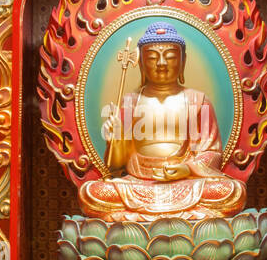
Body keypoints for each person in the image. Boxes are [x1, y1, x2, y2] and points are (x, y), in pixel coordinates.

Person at [79, 21, 246, 221]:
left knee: (231, 191)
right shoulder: (130, 102)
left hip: (185, 185)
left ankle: (136, 218)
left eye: (170, 57)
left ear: (182, 62)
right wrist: (117, 139)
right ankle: (186, 217)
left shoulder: (198, 100)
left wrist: (187, 169)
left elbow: (211, 152)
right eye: (151, 57)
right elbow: (116, 166)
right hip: (137, 183)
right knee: (91, 193)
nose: (161, 63)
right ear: (141, 64)